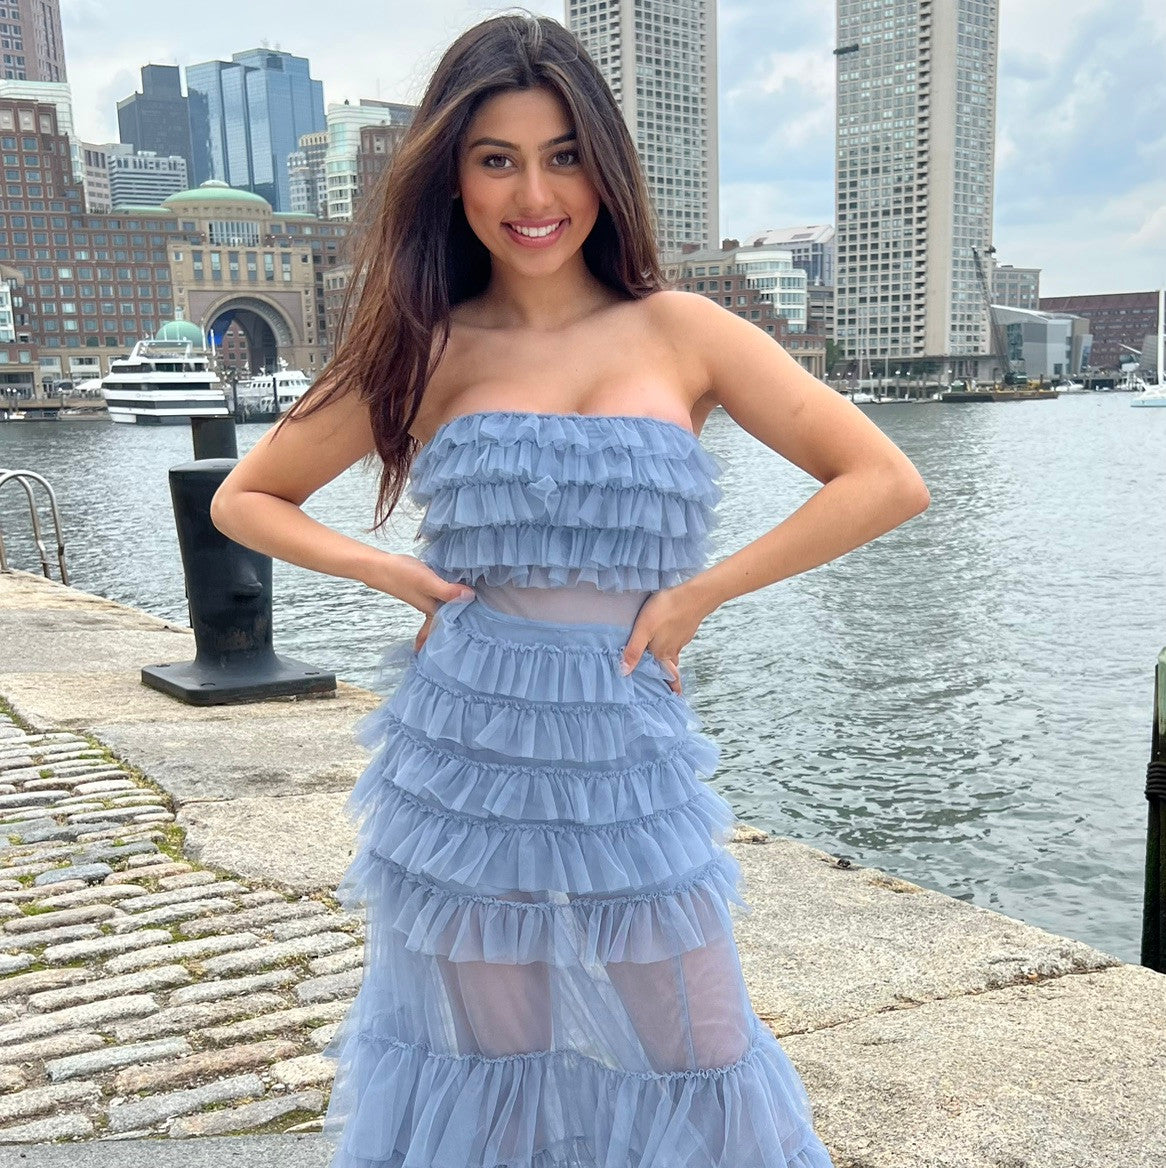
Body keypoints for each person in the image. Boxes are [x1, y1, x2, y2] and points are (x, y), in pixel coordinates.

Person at [210, 12, 929, 1167]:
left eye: (562, 155)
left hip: (623, 732)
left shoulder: (682, 329)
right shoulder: (425, 343)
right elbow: (248, 498)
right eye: (496, 158)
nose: (532, 192)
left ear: (603, 166)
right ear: (453, 175)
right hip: (464, 746)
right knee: (499, 1063)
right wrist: (394, 572)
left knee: (696, 1045)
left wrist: (700, 595)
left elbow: (882, 480)